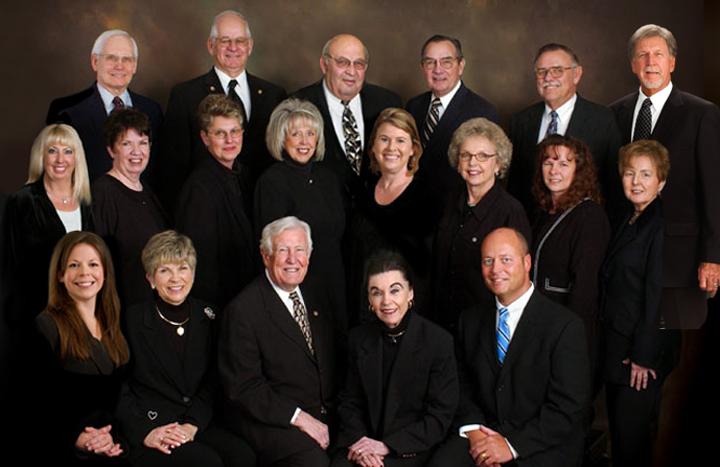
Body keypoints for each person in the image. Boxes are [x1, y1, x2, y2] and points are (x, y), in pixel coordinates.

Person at [428, 227, 591, 467]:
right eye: (488, 261)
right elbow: (461, 385)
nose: (496, 269)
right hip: (484, 431)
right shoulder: (470, 320)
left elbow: (568, 408)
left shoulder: (565, 326)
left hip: (542, 442)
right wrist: (474, 430)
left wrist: (511, 445)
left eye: (506, 260)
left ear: (527, 263)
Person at [611, 24, 720, 329]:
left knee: (674, 341)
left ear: (672, 62)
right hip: (626, 255)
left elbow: (714, 192)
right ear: (633, 64)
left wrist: (713, 257)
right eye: (642, 55)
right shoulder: (614, 114)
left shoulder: (702, 114)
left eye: (658, 54)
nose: (650, 62)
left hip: (680, 259)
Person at [116, 231, 256, 467]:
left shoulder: (210, 316)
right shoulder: (131, 320)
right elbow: (118, 386)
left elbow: (215, 379)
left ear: (193, 272)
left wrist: (193, 424)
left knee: (242, 456)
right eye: (164, 270)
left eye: (182, 268)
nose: (175, 278)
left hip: (197, 421)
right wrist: (144, 431)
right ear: (150, 278)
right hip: (154, 426)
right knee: (206, 463)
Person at [219, 216, 338, 467]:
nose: (293, 259)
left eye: (300, 250)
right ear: (266, 256)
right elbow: (244, 387)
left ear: (309, 256)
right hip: (275, 421)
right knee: (314, 463)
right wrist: (299, 418)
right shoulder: (243, 310)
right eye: (283, 250)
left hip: (325, 413)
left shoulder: (317, 292)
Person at [331, 250, 458, 467]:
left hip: (409, 448)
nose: (386, 301)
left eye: (395, 290)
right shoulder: (358, 339)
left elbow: (439, 416)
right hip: (363, 444)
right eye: (377, 293)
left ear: (410, 293)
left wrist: (387, 446)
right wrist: (362, 445)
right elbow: (349, 402)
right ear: (369, 299)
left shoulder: (438, 341)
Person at [601, 141, 679, 467]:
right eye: (630, 173)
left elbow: (659, 297)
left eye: (646, 174)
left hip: (642, 357)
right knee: (621, 439)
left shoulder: (662, 226)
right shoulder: (631, 217)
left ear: (661, 182)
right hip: (620, 346)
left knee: (631, 442)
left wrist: (643, 357)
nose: (636, 181)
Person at [159, 10, 286, 211]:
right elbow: (173, 169)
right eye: (225, 41)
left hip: (264, 207)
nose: (233, 47)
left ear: (250, 46)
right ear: (211, 45)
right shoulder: (185, 96)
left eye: (240, 41)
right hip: (208, 210)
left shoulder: (274, 95)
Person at [31, 231, 130, 466]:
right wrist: (76, 438)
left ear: (105, 272)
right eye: (74, 265)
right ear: (60, 275)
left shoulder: (113, 325)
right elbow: (32, 404)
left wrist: (112, 438)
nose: (85, 273)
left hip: (111, 445)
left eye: (93, 264)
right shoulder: (46, 326)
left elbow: (121, 399)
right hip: (65, 449)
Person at [254, 98, 347, 329]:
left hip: (334, 280)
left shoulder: (328, 177)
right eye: (296, 134)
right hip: (297, 283)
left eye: (310, 133)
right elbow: (273, 249)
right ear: (281, 138)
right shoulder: (272, 181)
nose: (304, 141)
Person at [430, 118, 530, 332]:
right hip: (442, 321)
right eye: (466, 155)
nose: (472, 163)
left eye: (483, 156)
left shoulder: (510, 211)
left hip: (485, 326)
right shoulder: (448, 202)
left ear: (498, 164)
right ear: (458, 162)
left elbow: (518, 280)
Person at [530, 134, 610, 388]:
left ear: (579, 170)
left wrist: (570, 340)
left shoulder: (589, 216)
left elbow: (585, 289)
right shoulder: (544, 212)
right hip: (538, 326)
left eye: (564, 164)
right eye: (549, 162)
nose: (554, 171)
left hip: (567, 331)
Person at [508, 43, 622, 215]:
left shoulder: (603, 119)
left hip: (583, 223)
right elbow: (515, 186)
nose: (548, 77)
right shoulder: (521, 121)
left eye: (557, 70)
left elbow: (613, 185)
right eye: (541, 71)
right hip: (529, 223)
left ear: (576, 74)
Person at [293, 34, 402, 204]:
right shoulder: (297, 106)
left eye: (358, 64)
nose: (351, 72)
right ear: (324, 65)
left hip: (378, 212)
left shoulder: (387, 103)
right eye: (342, 62)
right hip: (321, 212)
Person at [350, 108, 435, 321]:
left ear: (413, 149)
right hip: (364, 309)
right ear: (373, 146)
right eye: (384, 139)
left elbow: (427, 269)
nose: (391, 148)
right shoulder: (363, 190)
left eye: (400, 141)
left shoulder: (427, 196)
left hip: (406, 315)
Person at [5, 124, 94, 325]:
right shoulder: (23, 201)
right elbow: (10, 267)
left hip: (82, 312)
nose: (60, 159)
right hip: (37, 312)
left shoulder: (88, 203)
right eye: (52, 151)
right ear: (41, 157)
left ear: (77, 158)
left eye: (68, 151)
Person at [46, 30, 162, 182]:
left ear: (134, 66)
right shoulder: (67, 111)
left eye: (126, 59)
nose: (119, 66)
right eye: (111, 58)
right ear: (95, 62)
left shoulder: (152, 110)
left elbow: (159, 170)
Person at [175, 94, 256, 311]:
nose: (230, 140)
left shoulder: (244, 175)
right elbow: (201, 265)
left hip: (246, 296)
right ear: (205, 138)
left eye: (234, 131)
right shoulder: (199, 188)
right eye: (220, 133)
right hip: (221, 304)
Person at [406, 35, 498, 212]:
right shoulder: (413, 106)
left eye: (446, 62)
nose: (437, 70)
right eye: (430, 62)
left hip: (455, 211)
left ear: (461, 66)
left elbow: (488, 177)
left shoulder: (483, 112)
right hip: (413, 207)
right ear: (422, 67)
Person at [92, 108, 169, 308]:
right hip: (121, 309)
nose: (137, 152)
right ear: (111, 150)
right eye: (126, 144)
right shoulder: (102, 193)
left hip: (150, 308)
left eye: (142, 143)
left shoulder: (148, 192)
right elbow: (98, 263)